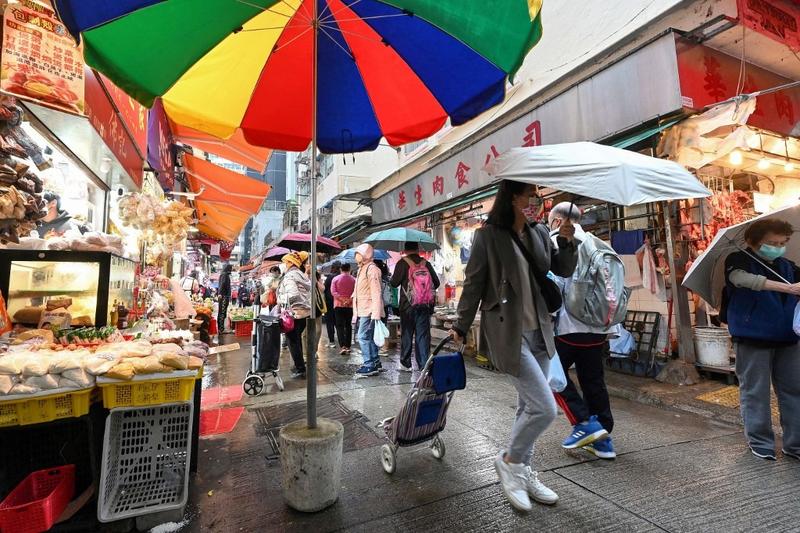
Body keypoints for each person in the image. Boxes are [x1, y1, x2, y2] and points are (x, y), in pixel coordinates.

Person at [449, 180, 577, 512]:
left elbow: (559, 268)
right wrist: (461, 326)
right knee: (544, 407)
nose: (535, 200)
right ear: (514, 198)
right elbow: (474, 282)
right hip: (509, 332)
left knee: (527, 407)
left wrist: (566, 240)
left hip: (540, 331)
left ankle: (523, 471)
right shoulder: (488, 236)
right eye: (530, 195)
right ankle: (509, 461)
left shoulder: (537, 232)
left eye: (537, 196)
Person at [723, 218, 800, 461]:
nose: (778, 247)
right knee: (755, 392)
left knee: (794, 391)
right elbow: (742, 280)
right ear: (752, 242)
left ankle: (795, 444)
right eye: (771, 243)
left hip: (787, 337)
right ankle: (760, 441)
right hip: (752, 337)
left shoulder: (788, 265)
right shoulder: (737, 260)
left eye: (783, 242)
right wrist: (787, 289)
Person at [548, 202, 618, 460]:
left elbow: (551, 286)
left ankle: (584, 423)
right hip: (598, 329)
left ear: (557, 221)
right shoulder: (599, 244)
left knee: (551, 375)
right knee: (593, 381)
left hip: (566, 327)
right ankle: (603, 439)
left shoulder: (556, 241)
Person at [391, 242, 440, 371]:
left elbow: (394, 283)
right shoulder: (426, 263)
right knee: (422, 335)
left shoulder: (402, 263)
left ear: (405, 250)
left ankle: (406, 364)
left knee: (406, 333)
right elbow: (437, 282)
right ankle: (423, 364)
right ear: (418, 249)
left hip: (407, 306)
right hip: (424, 305)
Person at [278, 252, 312, 379]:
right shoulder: (301, 275)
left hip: (295, 313)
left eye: (285, 262)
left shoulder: (290, 276)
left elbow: (293, 294)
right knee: (296, 340)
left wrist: (280, 299)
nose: (284, 264)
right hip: (304, 312)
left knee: (292, 340)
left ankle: (300, 368)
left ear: (291, 263)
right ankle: (300, 364)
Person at [352, 243, 384, 376]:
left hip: (369, 309)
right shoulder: (362, 268)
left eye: (358, 253)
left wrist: (376, 314)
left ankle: (369, 364)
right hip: (364, 308)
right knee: (369, 336)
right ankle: (375, 362)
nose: (356, 256)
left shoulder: (371, 269)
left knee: (363, 336)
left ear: (365, 254)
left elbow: (376, 292)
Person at [332, 262, 356, 355]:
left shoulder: (335, 279)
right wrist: (348, 301)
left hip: (338, 305)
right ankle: (348, 346)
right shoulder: (354, 280)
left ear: (340, 269)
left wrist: (342, 300)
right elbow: (355, 292)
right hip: (349, 306)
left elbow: (333, 292)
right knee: (348, 325)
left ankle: (342, 346)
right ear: (349, 269)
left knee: (339, 326)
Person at [324, 262, 341, 348]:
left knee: (329, 322)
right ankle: (341, 340)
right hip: (339, 303)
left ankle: (331, 341)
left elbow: (324, 288)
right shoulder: (341, 277)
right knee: (337, 322)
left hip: (329, 302)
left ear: (333, 268)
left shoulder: (330, 277)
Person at [217, 263, 233, 335]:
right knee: (222, 313)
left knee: (221, 312)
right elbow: (222, 284)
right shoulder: (225, 275)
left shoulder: (223, 274)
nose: (231, 270)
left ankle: (221, 328)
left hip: (223, 295)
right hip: (224, 296)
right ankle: (221, 329)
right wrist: (220, 293)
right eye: (230, 268)